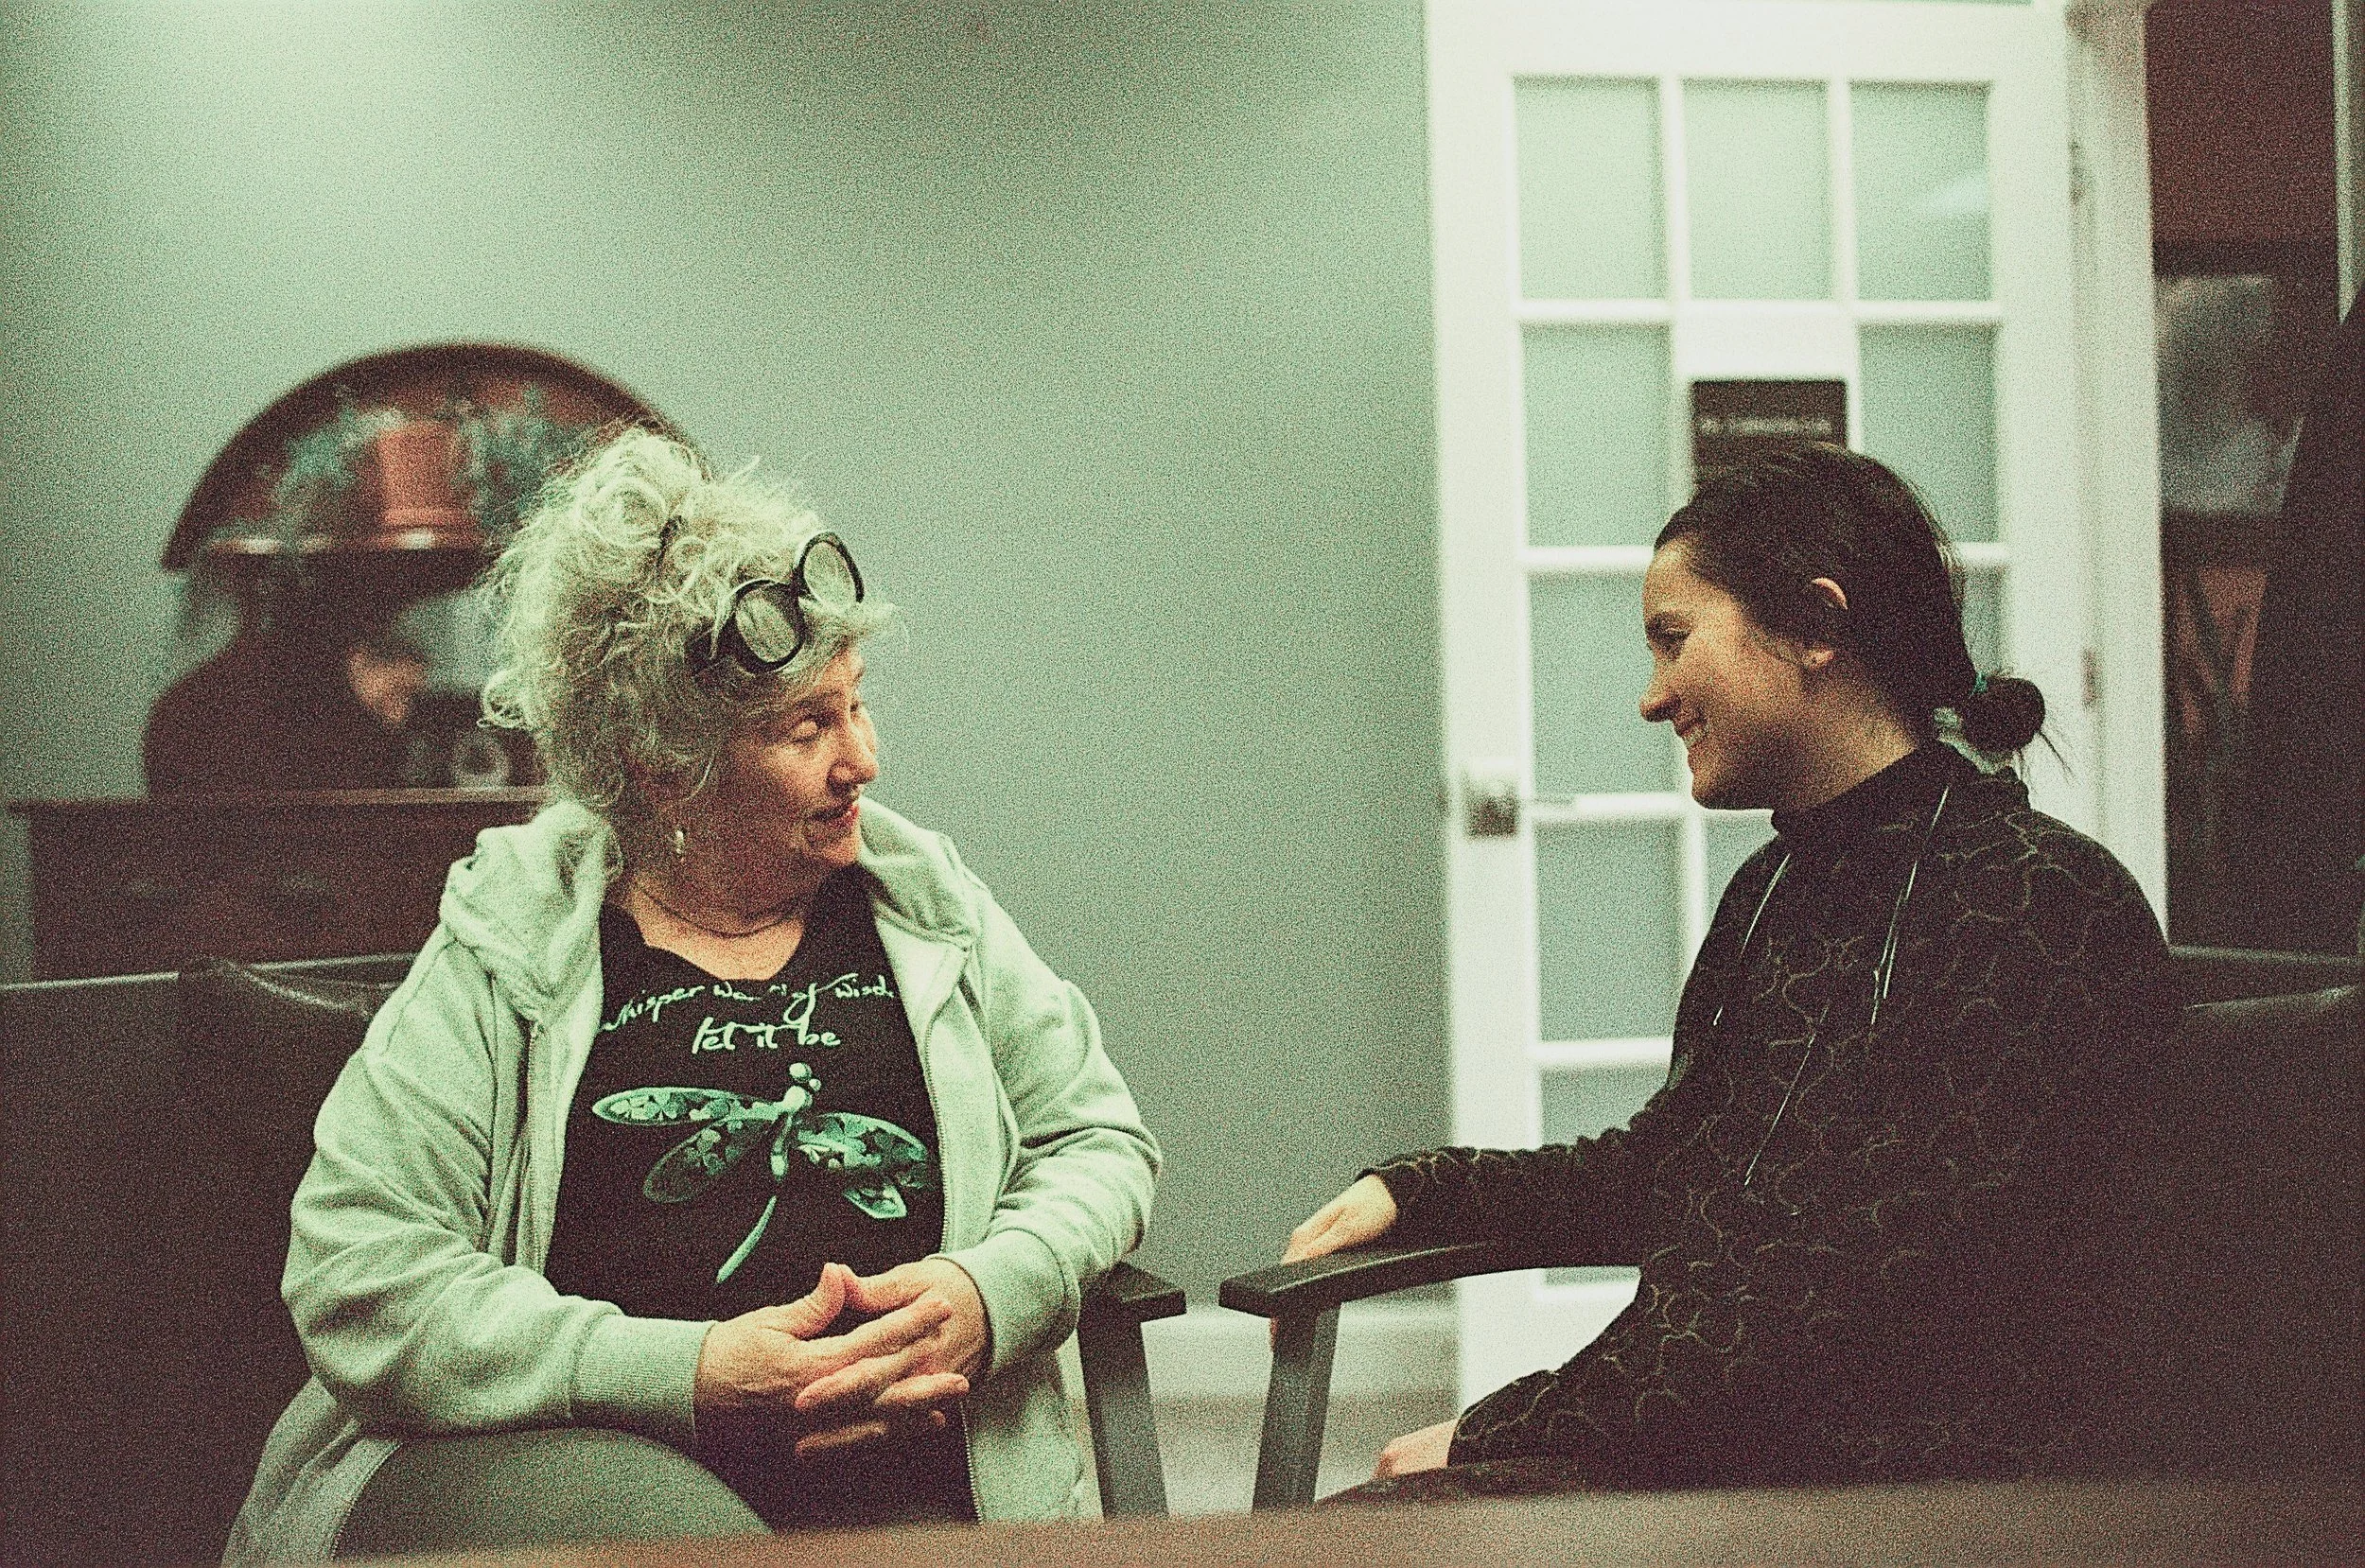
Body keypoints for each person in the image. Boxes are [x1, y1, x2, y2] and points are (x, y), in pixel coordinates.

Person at [226, 427, 1159, 1561]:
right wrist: (685, 1375)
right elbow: (362, 1269)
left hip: (923, 1486)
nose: (863, 755)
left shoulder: (925, 905)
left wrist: (993, 1286)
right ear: (664, 764)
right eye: (805, 726)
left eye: (856, 702)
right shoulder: (514, 937)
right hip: (575, 1487)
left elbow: (1097, 1137)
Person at [1288, 444, 2180, 1491]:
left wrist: (1522, 1422)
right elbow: (1678, 1170)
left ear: (1814, 625)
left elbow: (1833, 1292)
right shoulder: (1773, 886)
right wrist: (1422, 1187)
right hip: (1739, 1460)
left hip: (1926, 1500)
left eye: (1673, 642)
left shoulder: (2035, 907)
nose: (1651, 698)